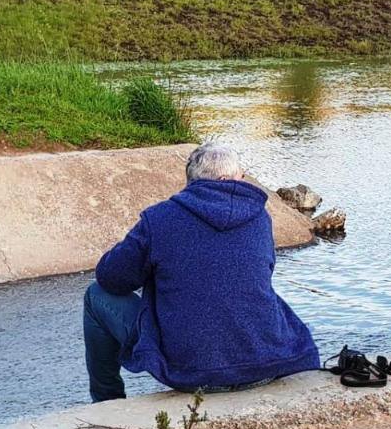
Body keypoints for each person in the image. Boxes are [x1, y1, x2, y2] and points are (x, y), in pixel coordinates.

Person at [83, 142, 319, 401]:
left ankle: (107, 402)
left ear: (191, 181)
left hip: (192, 372)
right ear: (231, 178)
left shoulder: (159, 219)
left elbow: (110, 278)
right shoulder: (259, 217)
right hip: (263, 364)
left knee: (96, 296)